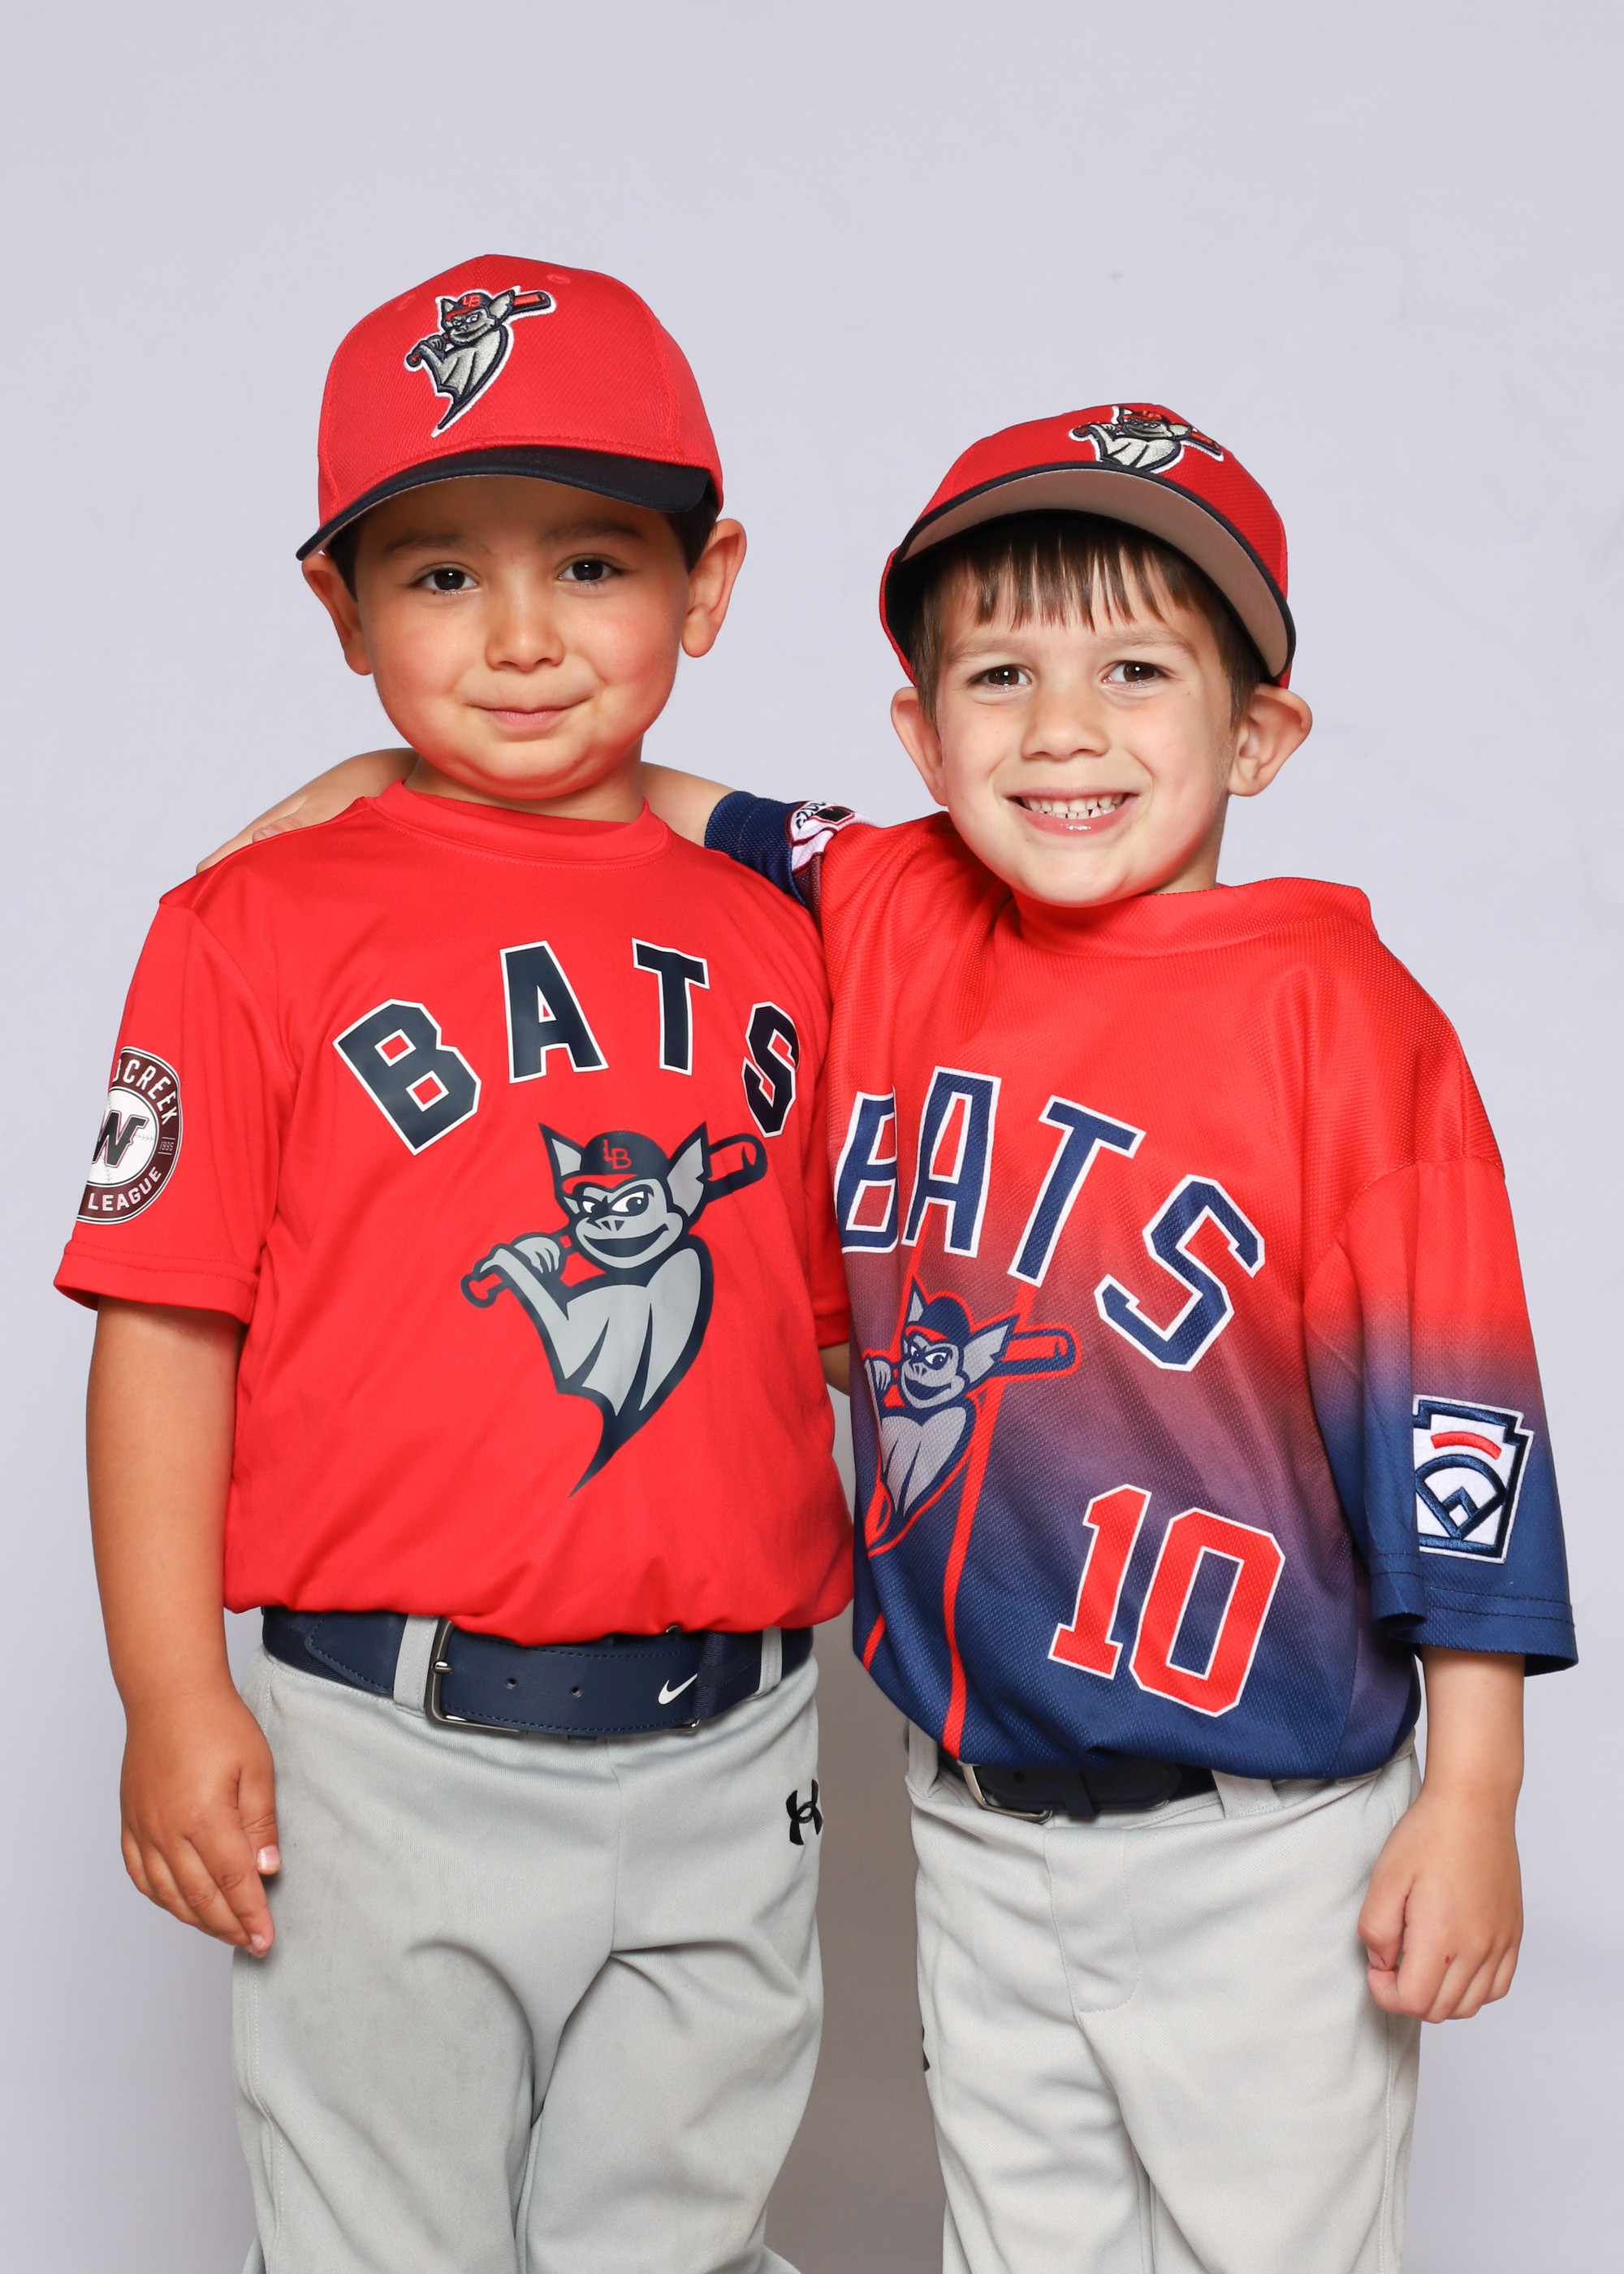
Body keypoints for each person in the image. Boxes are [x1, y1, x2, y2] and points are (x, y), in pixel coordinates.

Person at [252, 400, 1578, 2273]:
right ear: (918, 734)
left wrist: (1473, 1790)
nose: (1061, 728)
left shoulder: (1341, 1015)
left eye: (1135, 670)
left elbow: (1461, 1429)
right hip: (976, 1815)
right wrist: (389, 774)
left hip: (1266, 1833)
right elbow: (641, 786)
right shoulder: (888, 904)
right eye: (998, 674)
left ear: (1258, 734)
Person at [57, 257, 855, 2274]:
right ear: (340, 609)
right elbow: (164, 1321)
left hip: (737, 1744)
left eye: (591, 563)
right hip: (384, 1742)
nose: (518, 635)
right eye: (436, 574)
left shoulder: (798, 933)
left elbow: (849, 1320)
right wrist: (169, 1684)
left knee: (678, 2242)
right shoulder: (254, 915)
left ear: (707, 582)